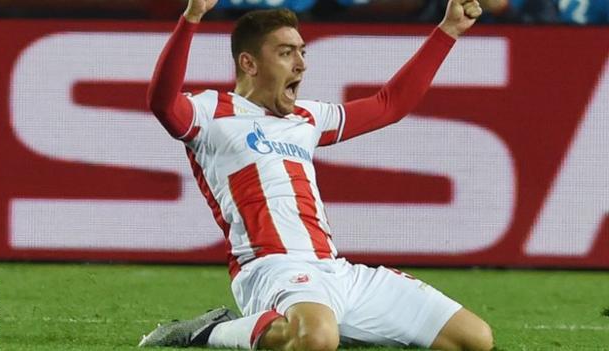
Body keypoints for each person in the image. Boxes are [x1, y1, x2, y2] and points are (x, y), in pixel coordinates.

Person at [139, 0, 494, 350]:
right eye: (286, 53)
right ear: (249, 63)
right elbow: (162, 103)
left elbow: (390, 105)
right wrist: (192, 16)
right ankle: (213, 331)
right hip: (270, 269)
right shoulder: (210, 112)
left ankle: (336, 330)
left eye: (302, 52)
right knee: (318, 339)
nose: (301, 65)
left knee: (474, 338)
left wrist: (448, 31)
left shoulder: (308, 118)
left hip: (335, 271)